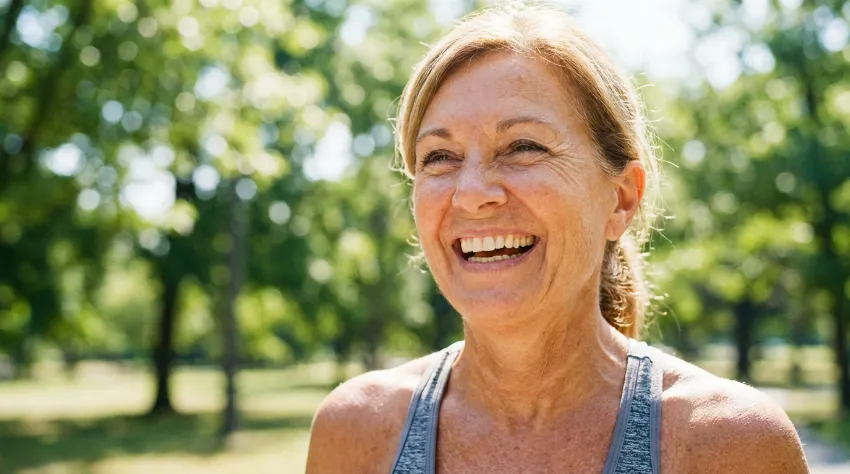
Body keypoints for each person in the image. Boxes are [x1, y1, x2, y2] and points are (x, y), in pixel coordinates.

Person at [305, 3, 809, 473]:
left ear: (621, 200)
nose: (472, 193)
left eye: (523, 146)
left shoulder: (732, 444)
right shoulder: (356, 432)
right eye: (440, 156)